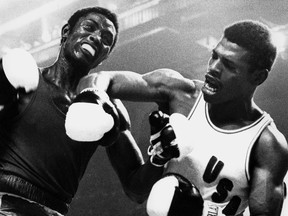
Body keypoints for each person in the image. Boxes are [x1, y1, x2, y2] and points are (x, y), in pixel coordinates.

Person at [75, 20, 288, 216]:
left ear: (258, 77)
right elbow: (101, 79)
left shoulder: (267, 146)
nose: (213, 68)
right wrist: (92, 98)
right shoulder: (183, 93)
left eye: (229, 65)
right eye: (214, 56)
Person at [0, 6, 162, 216]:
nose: (96, 38)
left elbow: (136, 190)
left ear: (104, 57)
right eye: (89, 28)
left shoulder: (106, 106)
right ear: (66, 32)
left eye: (105, 38)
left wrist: (160, 155)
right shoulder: (23, 77)